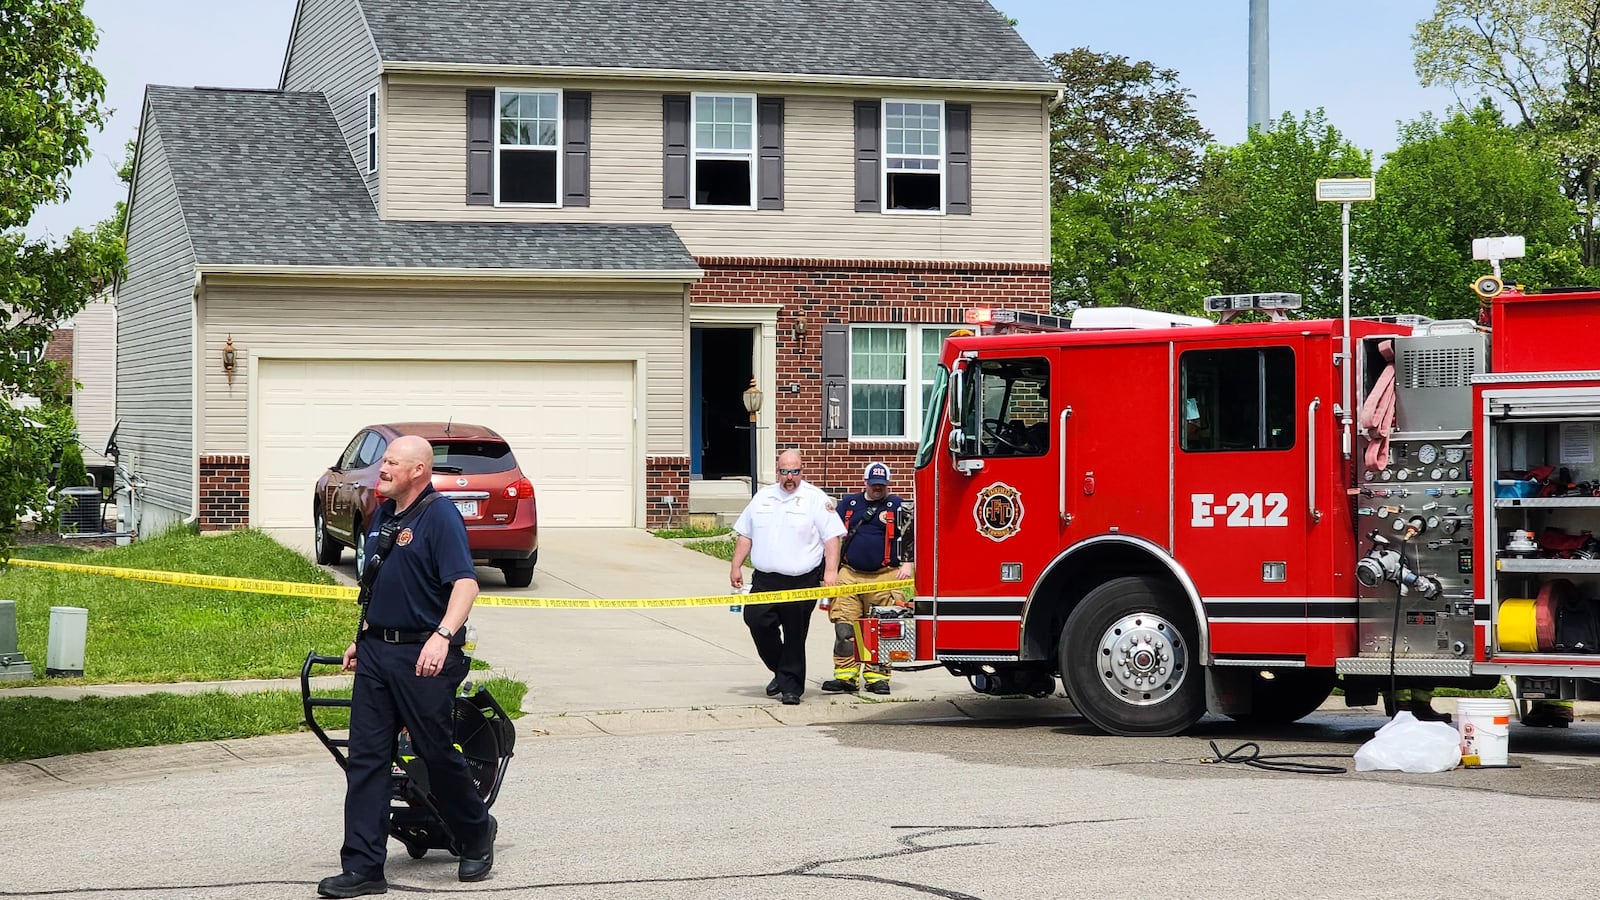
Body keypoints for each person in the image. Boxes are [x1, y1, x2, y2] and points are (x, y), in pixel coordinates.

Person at [318, 435, 496, 899]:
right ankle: (362, 867)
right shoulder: (382, 515)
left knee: (435, 753)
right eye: (384, 462)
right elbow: (378, 584)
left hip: (423, 656)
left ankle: (477, 832)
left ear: (418, 470)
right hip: (377, 653)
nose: (383, 468)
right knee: (367, 759)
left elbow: (465, 585)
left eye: (393, 462)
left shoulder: (440, 517)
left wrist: (441, 637)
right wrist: (362, 638)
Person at [729, 449, 845, 705]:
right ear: (777, 471)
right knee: (756, 621)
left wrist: (830, 571)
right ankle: (783, 672)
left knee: (795, 635)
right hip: (765, 579)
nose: (789, 477)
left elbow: (832, 538)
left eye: (795, 471)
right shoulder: (763, 497)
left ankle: (791, 688)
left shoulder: (815, 498)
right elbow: (745, 534)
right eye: (784, 471)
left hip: (801, 579)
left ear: (802, 471)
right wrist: (736, 565)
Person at [823, 462, 912, 696]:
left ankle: (878, 678)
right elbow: (830, 534)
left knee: (882, 631)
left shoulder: (898, 505)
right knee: (845, 628)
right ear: (865, 482)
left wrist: (909, 564)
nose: (877, 489)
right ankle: (845, 677)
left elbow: (914, 534)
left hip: (885, 577)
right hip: (849, 575)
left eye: (882, 486)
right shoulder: (848, 504)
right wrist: (829, 570)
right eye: (873, 485)